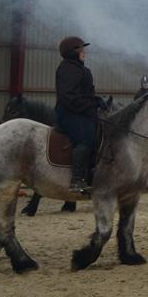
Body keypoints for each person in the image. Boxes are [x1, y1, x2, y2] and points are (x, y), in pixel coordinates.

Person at [55, 36, 101, 194]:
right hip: (69, 112)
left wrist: (97, 101)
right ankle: (76, 180)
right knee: (85, 139)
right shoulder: (68, 69)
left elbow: (86, 93)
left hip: (82, 110)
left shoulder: (82, 69)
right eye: (81, 49)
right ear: (72, 52)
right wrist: (89, 106)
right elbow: (68, 96)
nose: (84, 52)